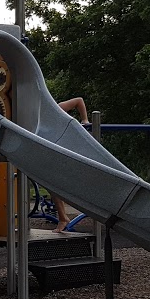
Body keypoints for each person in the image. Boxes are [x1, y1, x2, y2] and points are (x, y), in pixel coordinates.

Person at [52, 97, 90, 232]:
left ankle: (64, 217)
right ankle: (63, 217)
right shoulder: (37, 116)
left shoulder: (57, 108)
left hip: (72, 150)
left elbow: (79, 100)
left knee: (56, 183)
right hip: (60, 151)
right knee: (52, 183)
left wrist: (84, 120)